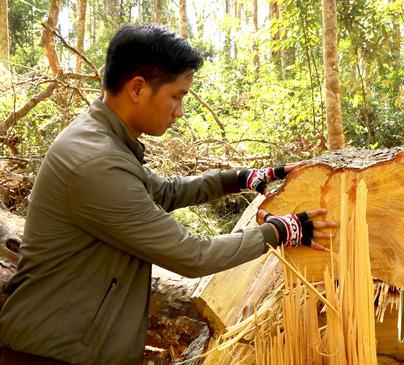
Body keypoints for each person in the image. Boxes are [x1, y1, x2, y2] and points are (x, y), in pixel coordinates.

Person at [0, 24, 335, 364]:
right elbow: (193, 256)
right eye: (176, 96)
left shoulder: (104, 138)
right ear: (137, 88)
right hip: (49, 354)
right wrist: (280, 231)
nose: (180, 111)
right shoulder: (96, 161)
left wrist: (240, 178)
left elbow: (163, 191)